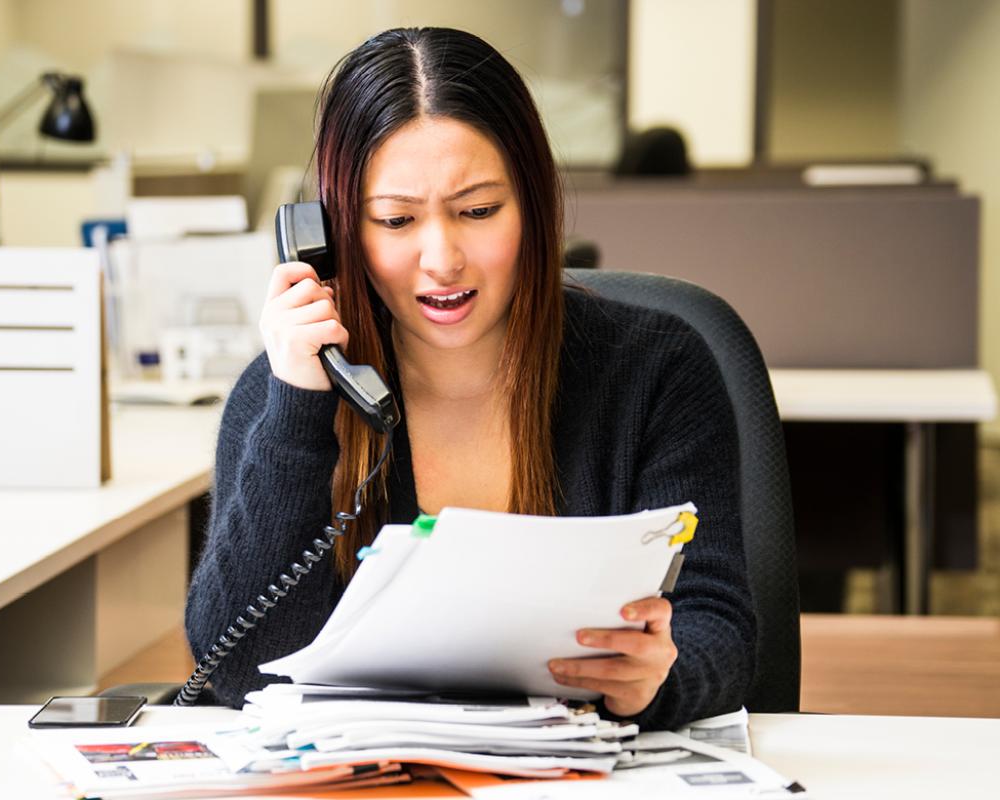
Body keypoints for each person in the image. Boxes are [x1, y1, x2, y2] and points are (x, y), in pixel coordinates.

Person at [186, 27, 754, 730]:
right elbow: (238, 671)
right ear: (334, 234)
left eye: (479, 211)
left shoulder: (657, 369)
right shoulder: (286, 392)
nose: (441, 258)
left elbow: (717, 630)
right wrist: (301, 408)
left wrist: (659, 679)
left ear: (535, 207)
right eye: (395, 220)